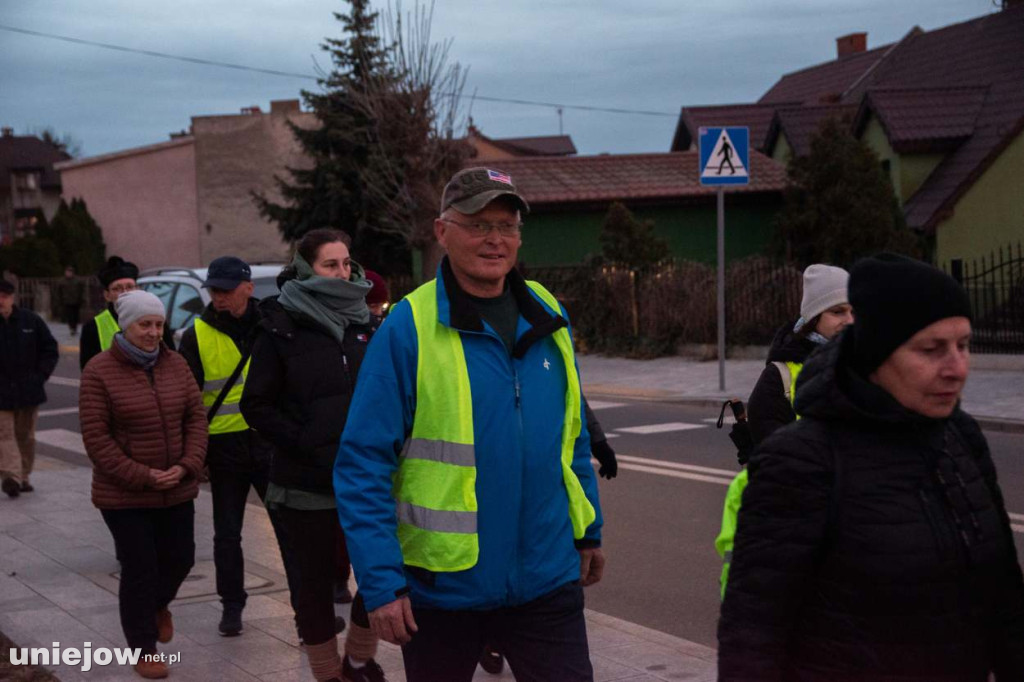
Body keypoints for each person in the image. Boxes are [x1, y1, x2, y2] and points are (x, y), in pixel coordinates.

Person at [335, 167, 605, 682]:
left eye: (506, 225)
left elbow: (569, 438)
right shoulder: (409, 327)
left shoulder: (548, 314)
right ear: (442, 232)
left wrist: (588, 529)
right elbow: (363, 465)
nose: (495, 239)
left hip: (546, 580)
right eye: (478, 224)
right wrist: (381, 583)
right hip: (442, 590)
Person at [718, 254, 1024, 681]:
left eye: (965, 345)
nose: (957, 368)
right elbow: (753, 634)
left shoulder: (962, 439)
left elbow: (1004, 597)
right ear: (877, 351)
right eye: (932, 349)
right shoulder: (798, 461)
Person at [241, 229, 385, 682]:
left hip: (365, 480)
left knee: (382, 574)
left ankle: (360, 659)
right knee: (313, 590)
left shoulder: (365, 323)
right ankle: (328, 674)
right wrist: (305, 440)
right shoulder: (281, 326)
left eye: (346, 263)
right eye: (330, 265)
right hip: (304, 485)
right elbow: (255, 405)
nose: (343, 273)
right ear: (305, 269)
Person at [79, 290, 207, 680]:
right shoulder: (99, 371)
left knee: (182, 557)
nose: (153, 333)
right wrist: (144, 475)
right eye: (144, 325)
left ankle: (157, 606)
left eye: (158, 325)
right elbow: (97, 440)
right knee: (140, 568)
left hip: (176, 486)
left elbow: (196, 419)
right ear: (126, 325)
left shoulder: (176, 364)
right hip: (125, 494)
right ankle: (144, 648)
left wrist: (186, 466)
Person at [714, 264, 851, 597]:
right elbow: (774, 471)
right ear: (814, 318)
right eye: (837, 311)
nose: (849, 319)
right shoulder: (780, 378)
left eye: (854, 310)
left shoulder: (867, 367)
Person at [177, 256, 283, 636]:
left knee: (289, 529)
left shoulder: (271, 327)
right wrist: (196, 454)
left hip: (269, 445)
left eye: (226, 289)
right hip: (224, 451)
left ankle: (308, 610)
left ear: (248, 288)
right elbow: (188, 404)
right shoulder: (196, 335)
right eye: (214, 290)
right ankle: (232, 606)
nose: (219, 297)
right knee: (226, 534)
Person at [0, 279, 58, 497]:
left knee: (26, 436)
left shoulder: (30, 321)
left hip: (29, 390)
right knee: (4, 435)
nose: (1, 301)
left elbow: (49, 349)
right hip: (1, 392)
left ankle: (23, 476)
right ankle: (11, 477)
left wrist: (41, 375)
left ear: (12, 298)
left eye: (4, 296)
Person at [81, 256, 175, 369]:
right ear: (107, 295)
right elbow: (89, 372)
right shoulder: (92, 328)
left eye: (130, 287)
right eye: (117, 288)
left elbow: (172, 360)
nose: (125, 293)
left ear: (138, 288)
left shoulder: (154, 319)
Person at [55, 265, 86, 337]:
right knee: (69, 315)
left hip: (76, 301)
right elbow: (58, 292)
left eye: (70, 272)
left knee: (75, 315)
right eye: (67, 272)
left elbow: (82, 290)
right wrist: (60, 300)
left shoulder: (78, 281)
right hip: (67, 301)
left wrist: (82, 299)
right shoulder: (62, 281)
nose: (68, 273)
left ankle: (74, 328)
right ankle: (71, 328)